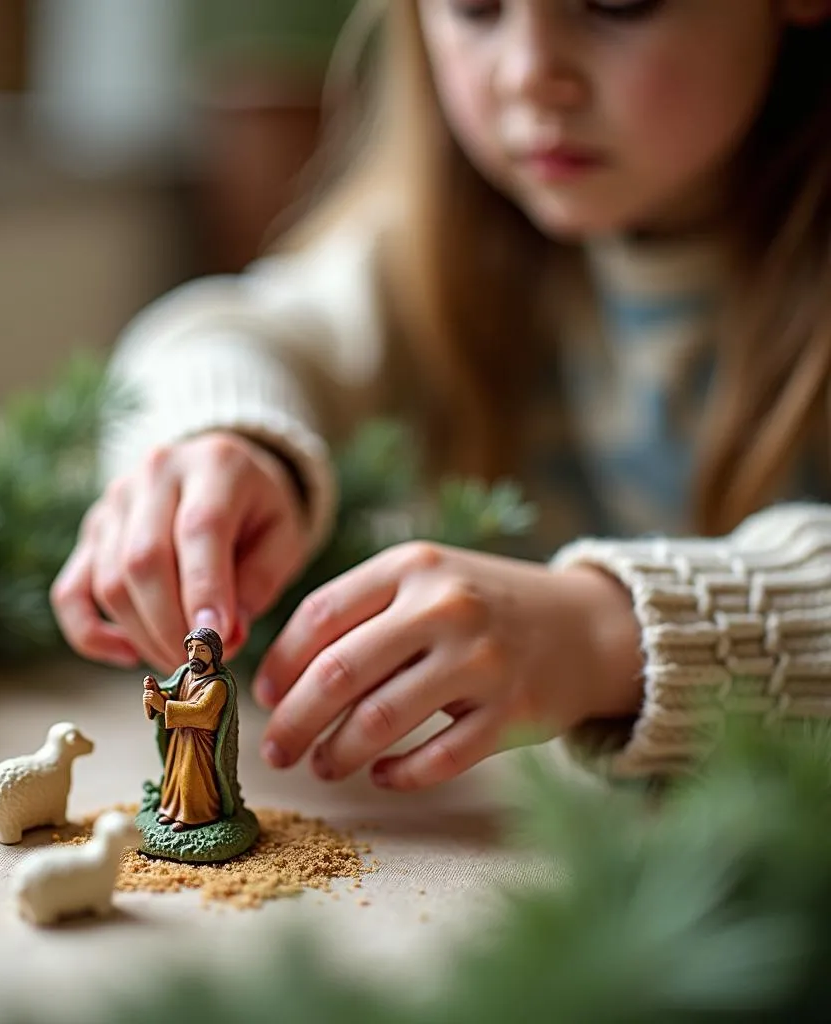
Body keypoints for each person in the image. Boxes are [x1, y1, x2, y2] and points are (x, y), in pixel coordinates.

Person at [52, 0, 831, 789]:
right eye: (475, 8)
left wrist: (607, 634)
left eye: (615, 4)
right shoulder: (438, 247)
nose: (530, 75)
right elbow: (234, 330)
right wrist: (227, 439)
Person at [142, 627, 243, 832]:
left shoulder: (217, 685)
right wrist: (156, 693)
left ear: (214, 653)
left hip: (199, 743)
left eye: (201, 650)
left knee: (191, 778)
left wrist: (165, 707)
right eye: (190, 649)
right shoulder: (186, 675)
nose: (194, 655)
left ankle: (194, 816)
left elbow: (202, 713)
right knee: (176, 775)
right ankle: (172, 810)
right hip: (180, 736)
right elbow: (174, 696)